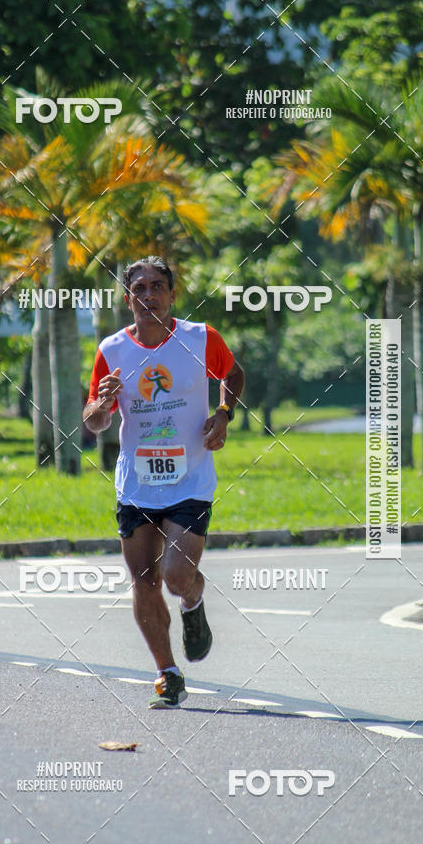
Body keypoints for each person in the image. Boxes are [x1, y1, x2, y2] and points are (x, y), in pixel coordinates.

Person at [83, 256, 244, 709]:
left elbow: (233, 374)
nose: (148, 295)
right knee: (144, 581)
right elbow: (93, 420)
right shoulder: (112, 349)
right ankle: (167, 673)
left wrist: (223, 415)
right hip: (137, 483)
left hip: (190, 478)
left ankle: (192, 598)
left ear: (172, 295)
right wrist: (102, 405)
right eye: (139, 288)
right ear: (128, 299)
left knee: (175, 576)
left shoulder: (200, 338)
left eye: (157, 286)